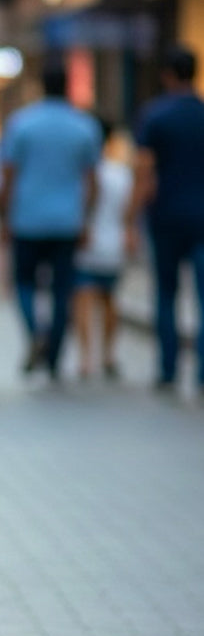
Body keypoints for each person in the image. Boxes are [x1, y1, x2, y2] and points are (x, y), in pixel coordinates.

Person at [0, 65, 101, 379]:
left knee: (25, 284)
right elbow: (92, 182)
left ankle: (36, 332)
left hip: (26, 219)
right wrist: (86, 219)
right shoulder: (85, 125)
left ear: (41, 86)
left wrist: (4, 217)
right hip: (67, 222)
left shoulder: (22, 123)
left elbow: (8, 176)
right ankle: (54, 357)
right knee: (62, 291)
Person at [131, 45, 204, 392]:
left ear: (167, 75)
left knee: (166, 293)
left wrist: (130, 217)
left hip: (166, 218)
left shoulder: (155, 115)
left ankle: (168, 369)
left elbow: (144, 171)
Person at [72, 122, 134, 379]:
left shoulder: (84, 173)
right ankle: (108, 354)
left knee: (83, 300)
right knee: (110, 299)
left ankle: (86, 357)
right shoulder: (121, 173)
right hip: (114, 241)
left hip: (89, 241)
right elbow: (130, 209)